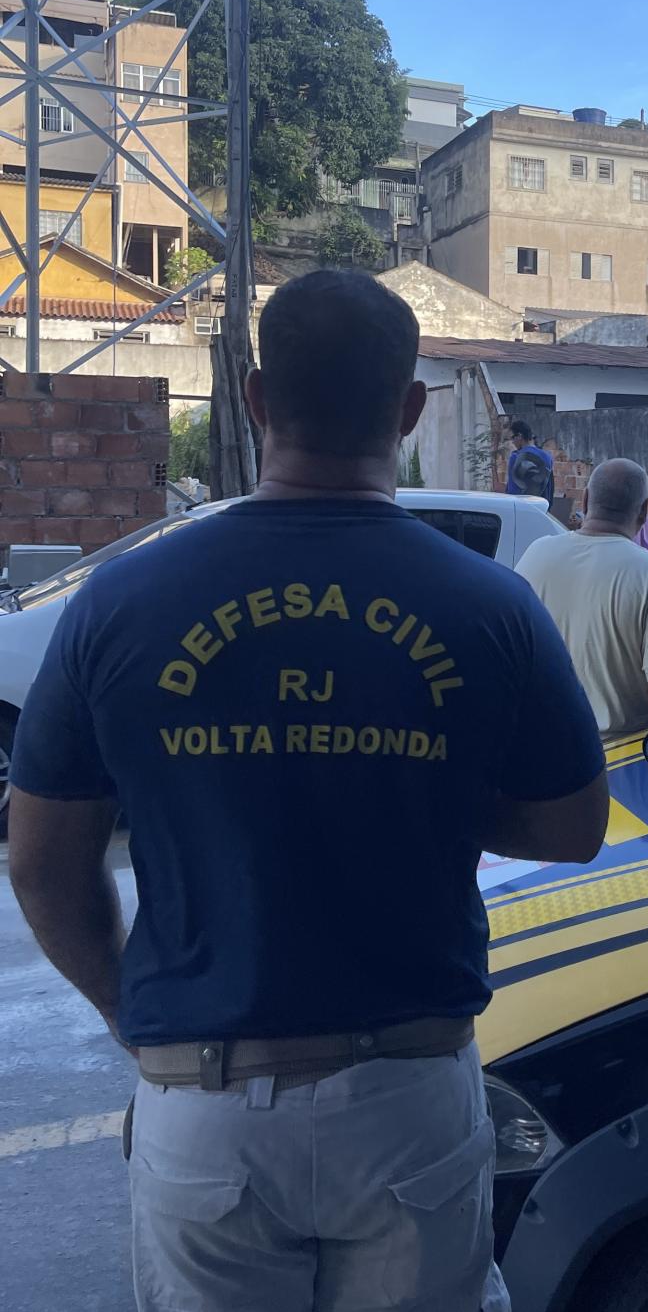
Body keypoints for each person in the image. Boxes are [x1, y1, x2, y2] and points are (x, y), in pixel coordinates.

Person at [7, 270, 608, 1312]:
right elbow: (573, 825)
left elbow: (41, 860)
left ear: (252, 399)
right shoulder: (491, 606)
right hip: (410, 1095)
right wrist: (428, 788)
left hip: (206, 1097)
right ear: (412, 411)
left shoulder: (122, 601)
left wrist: (130, 1011)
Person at [517, 457, 648, 740]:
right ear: (643, 512)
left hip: (539, 748)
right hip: (617, 762)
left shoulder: (535, 555)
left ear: (585, 500)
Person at [507, 420, 555, 502]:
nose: (512, 442)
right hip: (541, 507)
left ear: (519, 436)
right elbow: (550, 488)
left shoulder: (516, 457)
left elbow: (512, 489)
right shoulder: (547, 457)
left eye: (513, 438)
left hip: (519, 507)